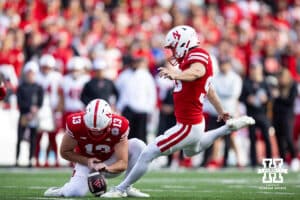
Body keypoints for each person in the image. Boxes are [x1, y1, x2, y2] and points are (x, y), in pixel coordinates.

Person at [102, 25, 255, 198]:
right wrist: (221, 110)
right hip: (192, 123)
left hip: (188, 125)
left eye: (174, 46)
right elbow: (208, 88)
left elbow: (197, 72)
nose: (172, 51)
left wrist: (176, 74)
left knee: (149, 152)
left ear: (184, 43)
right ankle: (227, 128)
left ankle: (122, 189)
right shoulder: (189, 57)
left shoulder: (198, 55)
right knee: (191, 150)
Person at [44, 99, 148, 197]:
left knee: (139, 145)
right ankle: (60, 190)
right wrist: (87, 160)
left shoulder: (119, 125)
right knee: (74, 192)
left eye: (100, 130)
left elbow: (122, 162)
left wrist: (105, 168)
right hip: (86, 163)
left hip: (111, 163)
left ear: (109, 121)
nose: (96, 133)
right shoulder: (76, 123)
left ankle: (126, 187)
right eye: (91, 130)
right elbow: (64, 152)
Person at [240, 63, 272, 167]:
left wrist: (266, 99)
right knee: (252, 138)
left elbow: (271, 97)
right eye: (253, 69)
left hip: (263, 115)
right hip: (251, 115)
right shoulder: (247, 83)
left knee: (267, 138)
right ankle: (253, 162)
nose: (255, 72)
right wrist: (247, 100)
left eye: (257, 69)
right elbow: (241, 97)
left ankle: (269, 161)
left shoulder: (264, 83)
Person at [16, 61, 44, 167]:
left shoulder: (38, 87)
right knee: (19, 138)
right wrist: (27, 110)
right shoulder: (21, 87)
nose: (30, 75)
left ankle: (30, 159)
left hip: (34, 116)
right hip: (24, 114)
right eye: (29, 73)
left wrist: (35, 110)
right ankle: (17, 159)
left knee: (33, 139)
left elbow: (40, 102)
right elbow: (20, 101)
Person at [272, 68, 299, 171]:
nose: (280, 80)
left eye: (282, 77)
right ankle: (282, 160)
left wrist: (278, 97)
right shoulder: (277, 86)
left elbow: (290, 101)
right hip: (277, 115)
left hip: (287, 116)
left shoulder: (293, 85)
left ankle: (295, 158)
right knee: (279, 138)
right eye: (279, 77)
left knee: (288, 137)